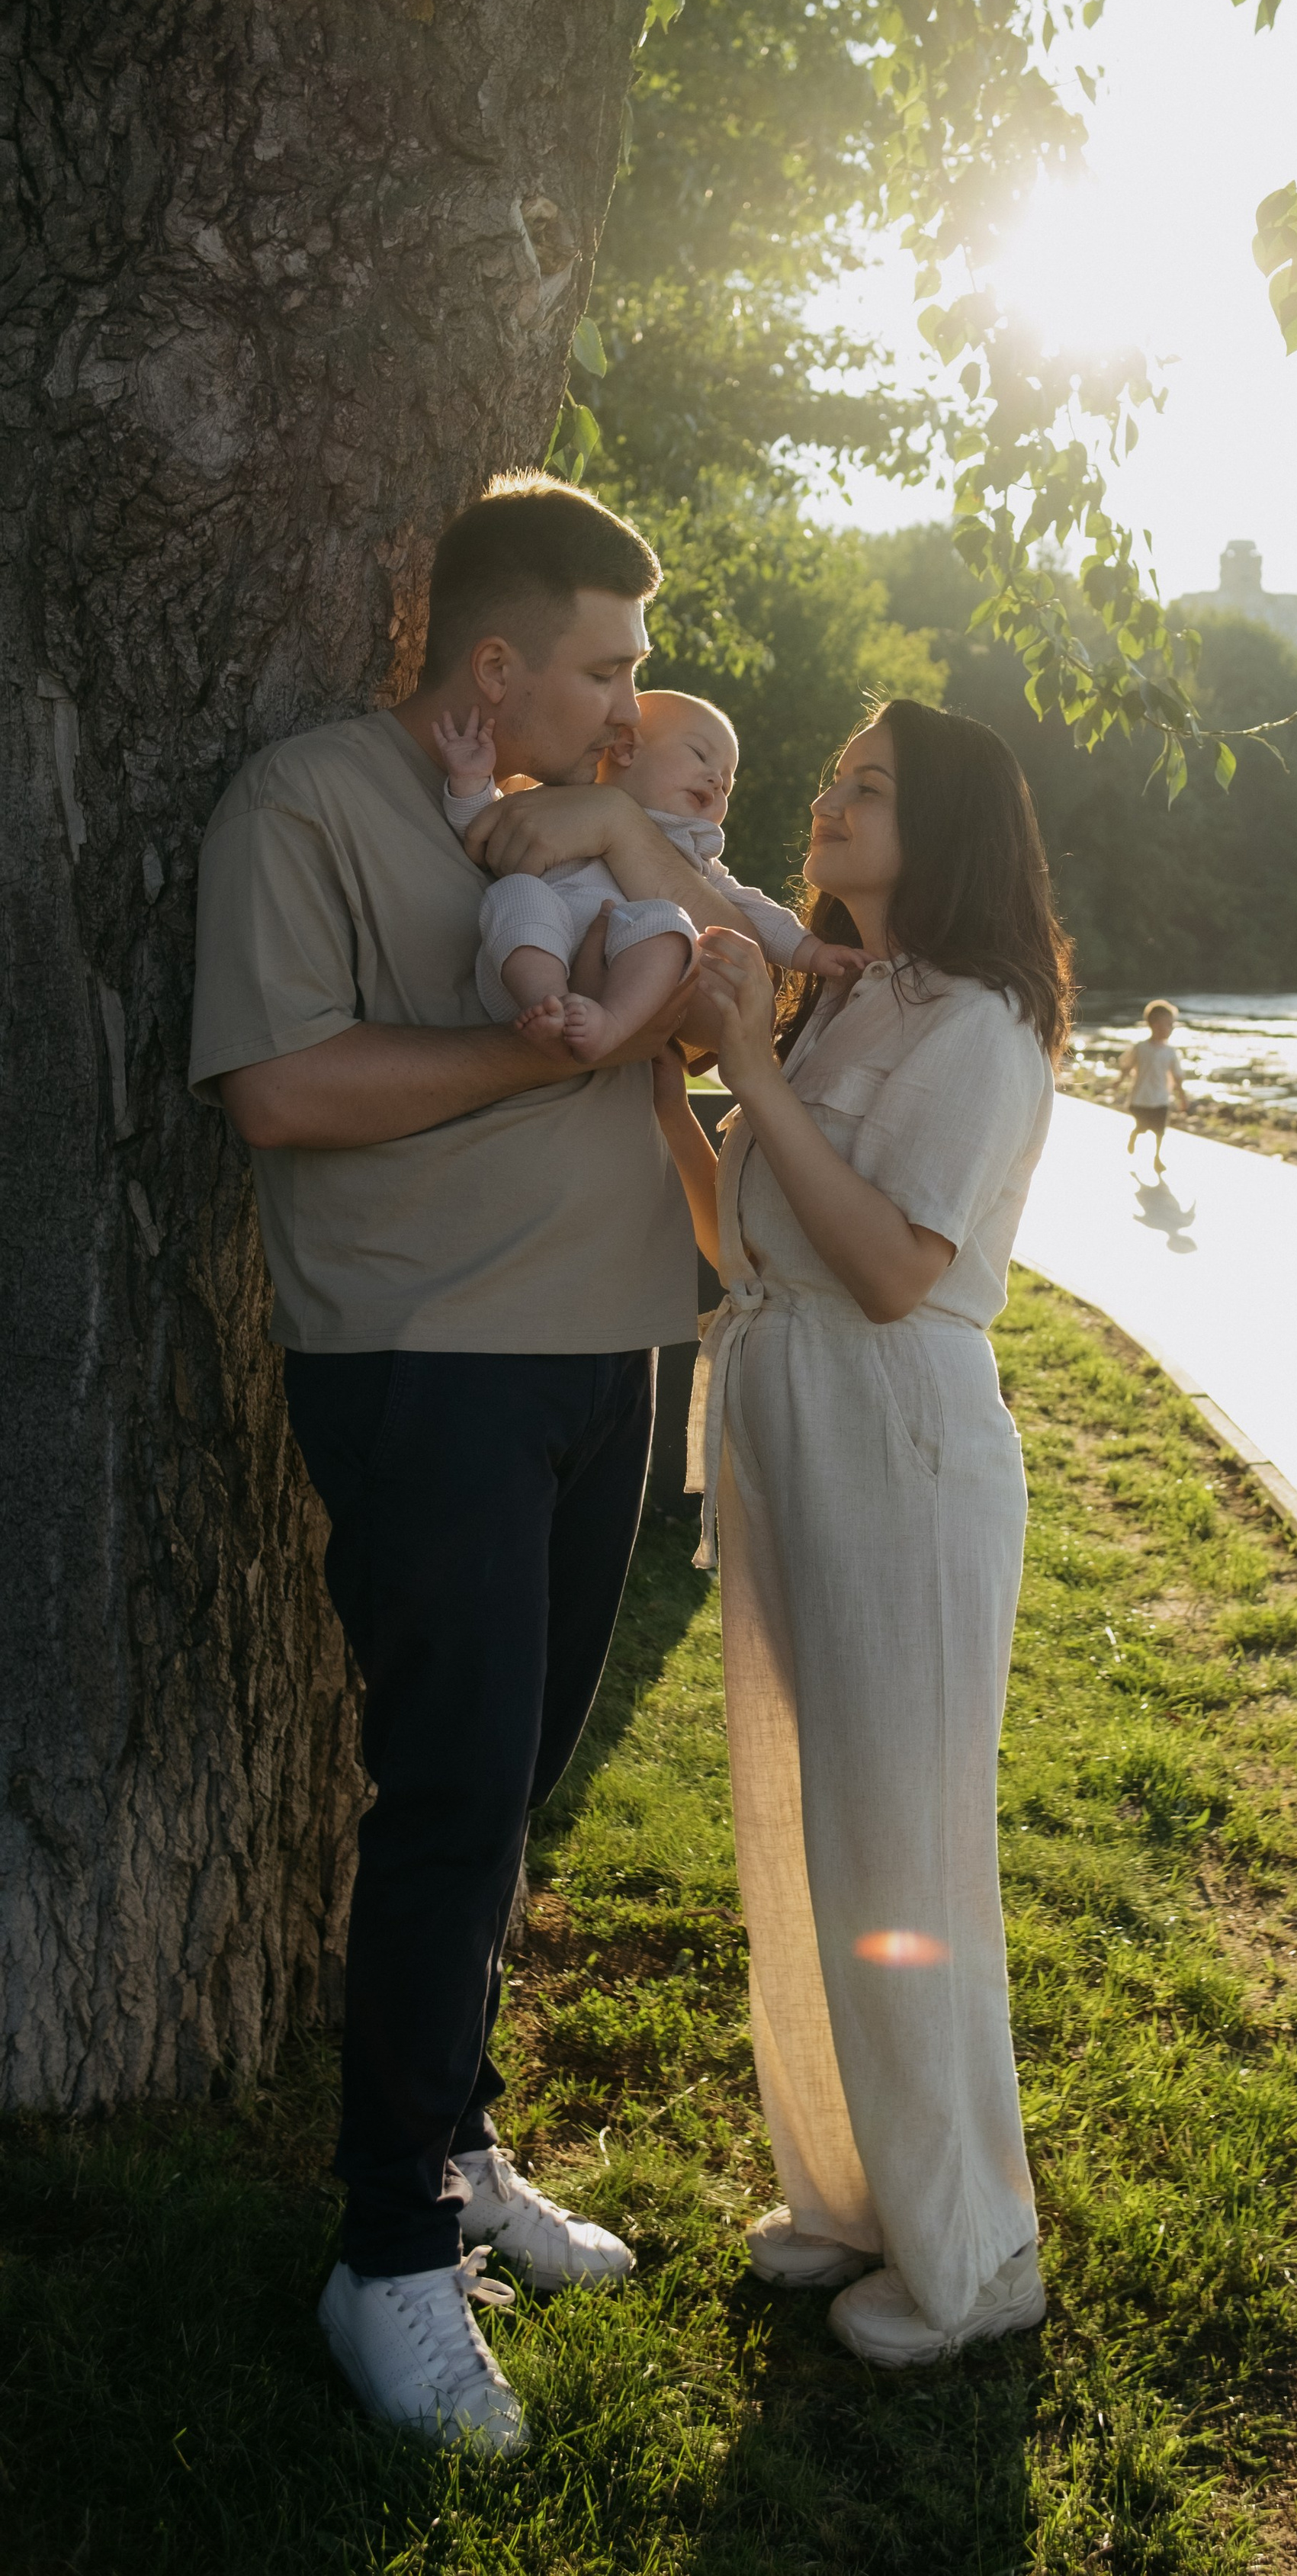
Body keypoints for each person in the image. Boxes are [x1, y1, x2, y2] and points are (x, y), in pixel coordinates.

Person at [190, 473, 763, 2456]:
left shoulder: (598, 818)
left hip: (614, 1357)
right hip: (429, 1364)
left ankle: (463, 2145)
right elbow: (280, 1089)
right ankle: (388, 2261)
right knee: (449, 1798)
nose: (632, 706)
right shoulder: (310, 805)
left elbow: (658, 1027)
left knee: (513, 1793)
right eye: (606, 669)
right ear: (499, 659)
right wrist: (541, 1053)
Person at [653, 699, 1071, 2368]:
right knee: (801, 1823)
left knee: (905, 1858)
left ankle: (973, 2258)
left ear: (949, 826)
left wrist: (749, 1058)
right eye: (829, 781)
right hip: (789, 1422)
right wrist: (662, 1089)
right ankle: (847, 2192)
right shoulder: (847, 1003)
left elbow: (894, 1265)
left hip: (898, 1444)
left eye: (867, 789)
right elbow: (743, 1228)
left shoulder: (977, 1024)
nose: (826, 806)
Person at [435, 686, 859, 1063]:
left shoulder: (692, 853)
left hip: (627, 994)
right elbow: (488, 832)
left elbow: (753, 911)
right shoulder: (561, 802)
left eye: (727, 784)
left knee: (667, 923)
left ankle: (611, 1026)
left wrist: (810, 953)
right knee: (518, 892)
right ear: (625, 748)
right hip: (524, 974)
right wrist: (470, 781)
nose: (717, 778)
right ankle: (552, 1006)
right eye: (699, 755)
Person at [1119, 999, 1187, 1174]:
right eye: (1168, 1025)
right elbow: (1127, 1066)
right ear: (1155, 1025)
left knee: (1159, 1130)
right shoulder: (1141, 1048)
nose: (1171, 1029)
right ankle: (1135, 1134)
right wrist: (1118, 1081)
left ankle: (1157, 1157)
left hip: (1161, 1098)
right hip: (1140, 1097)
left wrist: (1183, 1097)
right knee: (1142, 1126)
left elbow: (1178, 1076)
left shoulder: (1170, 1052)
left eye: (1172, 1025)